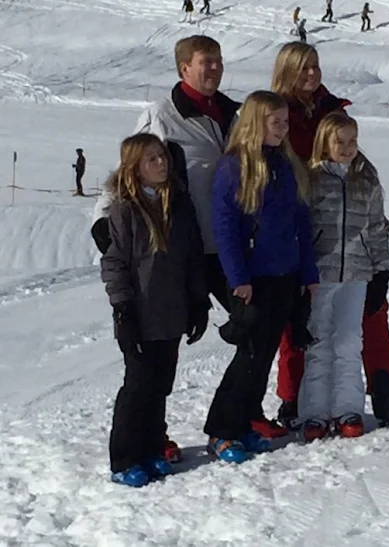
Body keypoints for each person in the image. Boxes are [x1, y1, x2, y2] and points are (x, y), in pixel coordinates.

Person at [271, 41, 389, 430]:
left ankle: (384, 386)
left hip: (353, 246)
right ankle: (295, 399)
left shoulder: (330, 109)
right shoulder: (276, 115)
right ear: (286, 72)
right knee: (301, 327)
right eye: (303, 68)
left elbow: (358, 169)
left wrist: (381, 264)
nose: (311, 74)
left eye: (315, 66)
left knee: (366, 318)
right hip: (304, 241)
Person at [91, 35, 241, 461]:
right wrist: (105, 223)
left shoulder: (234, 114)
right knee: (151, 359)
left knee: (256, 327)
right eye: (204, 63)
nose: (213, 69)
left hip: (222, 245)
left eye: (218, 62)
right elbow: (130, 165)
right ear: (183, 69)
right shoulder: (163, 114)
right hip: (179, 250)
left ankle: (234, 419)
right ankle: (149, 439)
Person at [204, 90, 318, 463]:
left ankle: (245, 424)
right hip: (253, 279)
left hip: (286, 274)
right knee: (248, 356)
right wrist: (238, 278)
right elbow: (225, 230)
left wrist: (308, 272)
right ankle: (221, 430)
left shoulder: (286, 164)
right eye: (275, 122)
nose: (283, 129)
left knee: (265, 355)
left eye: (285, 122)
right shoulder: (234, 167)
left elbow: (302, 223)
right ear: (255, 123)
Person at [101, 133, 211, 487]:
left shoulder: (179, 203)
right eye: (152, 159)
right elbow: (115, 262)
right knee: (138, 385)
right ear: (134, 168)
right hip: (140, 313)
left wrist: (198, 301)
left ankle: (151, 448)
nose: (161, 163)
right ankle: (125, 458)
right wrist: (122, 309)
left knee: (161, 384)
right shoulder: (124, 208)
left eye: (162, 156)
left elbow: (192, 258)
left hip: (172, 311)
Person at [299, 112, 389, 442]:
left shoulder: (366, 180)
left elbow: (378, 228)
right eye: (340, 141)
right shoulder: (311, 179)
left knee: (350, 342)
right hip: (319, 276)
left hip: (356, 273)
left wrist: (382, 271)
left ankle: (348, 409)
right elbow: (300, 229)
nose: (348, 147)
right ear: (325, 141)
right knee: (319, 342)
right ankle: (314, 413)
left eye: (353, 141)